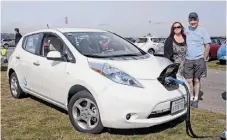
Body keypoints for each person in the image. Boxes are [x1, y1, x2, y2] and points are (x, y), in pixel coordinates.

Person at [184, 12, 211, 107]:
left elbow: (207, 45)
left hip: (199, 58)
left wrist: (204, 57)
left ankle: (195, 99)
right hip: (188, 59)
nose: (192, 22)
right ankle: (190, 97)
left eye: (194, 19)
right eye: (191, 20)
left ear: (198, 20)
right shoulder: (185, 30)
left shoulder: (203, 30)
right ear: (188, 21)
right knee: (188, 80)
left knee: (197, 80)